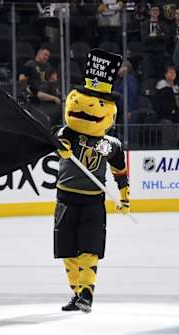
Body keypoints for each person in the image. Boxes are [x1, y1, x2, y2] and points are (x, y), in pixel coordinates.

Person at [55, 49, 130, 313]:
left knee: (89, 248)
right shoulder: (66, 133)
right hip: (65, 198)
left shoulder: (110, 144)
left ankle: (87, 292)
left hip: (92, 201)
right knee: (66, 251)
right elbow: (59, 141)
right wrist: (61, 147)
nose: (86, 106)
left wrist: (124, 197)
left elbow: (120, 170)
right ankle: (76, 293)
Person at [140, 3, 170, 79]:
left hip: (160, 52)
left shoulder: (163, 24)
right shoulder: (144, 24)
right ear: (149, 12)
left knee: (161, 74)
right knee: (147, 73)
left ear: (159, 12)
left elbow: (166, 38)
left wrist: (152, 35)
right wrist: (159, 35)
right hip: (148, 53)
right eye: (153, 10)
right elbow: (145, 39)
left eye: (156, 10)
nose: (155, 12)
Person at [155, 64, 179, 146]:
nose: (172, 74)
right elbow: (164, 102)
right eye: (170, 72)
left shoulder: (176, 88)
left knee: (175, 140)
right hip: (165, 117)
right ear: (165, 74)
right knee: (167, 140)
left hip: (176, 118)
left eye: (174, 72)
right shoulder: (162, 86)